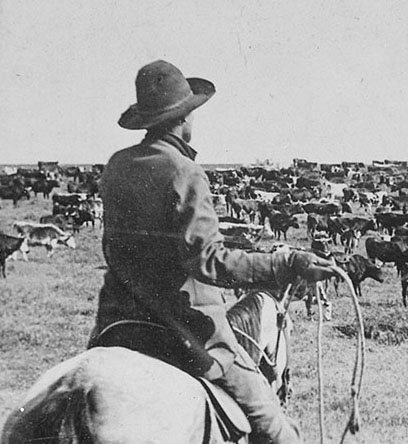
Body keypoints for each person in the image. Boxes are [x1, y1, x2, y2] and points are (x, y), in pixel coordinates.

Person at [88, 60, 335, 444]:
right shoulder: (184, 171)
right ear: (185, 117)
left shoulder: (117, 166)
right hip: (183, 329)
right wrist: (287, 262)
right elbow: (208, 259)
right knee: (274, 425)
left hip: (116, 325)